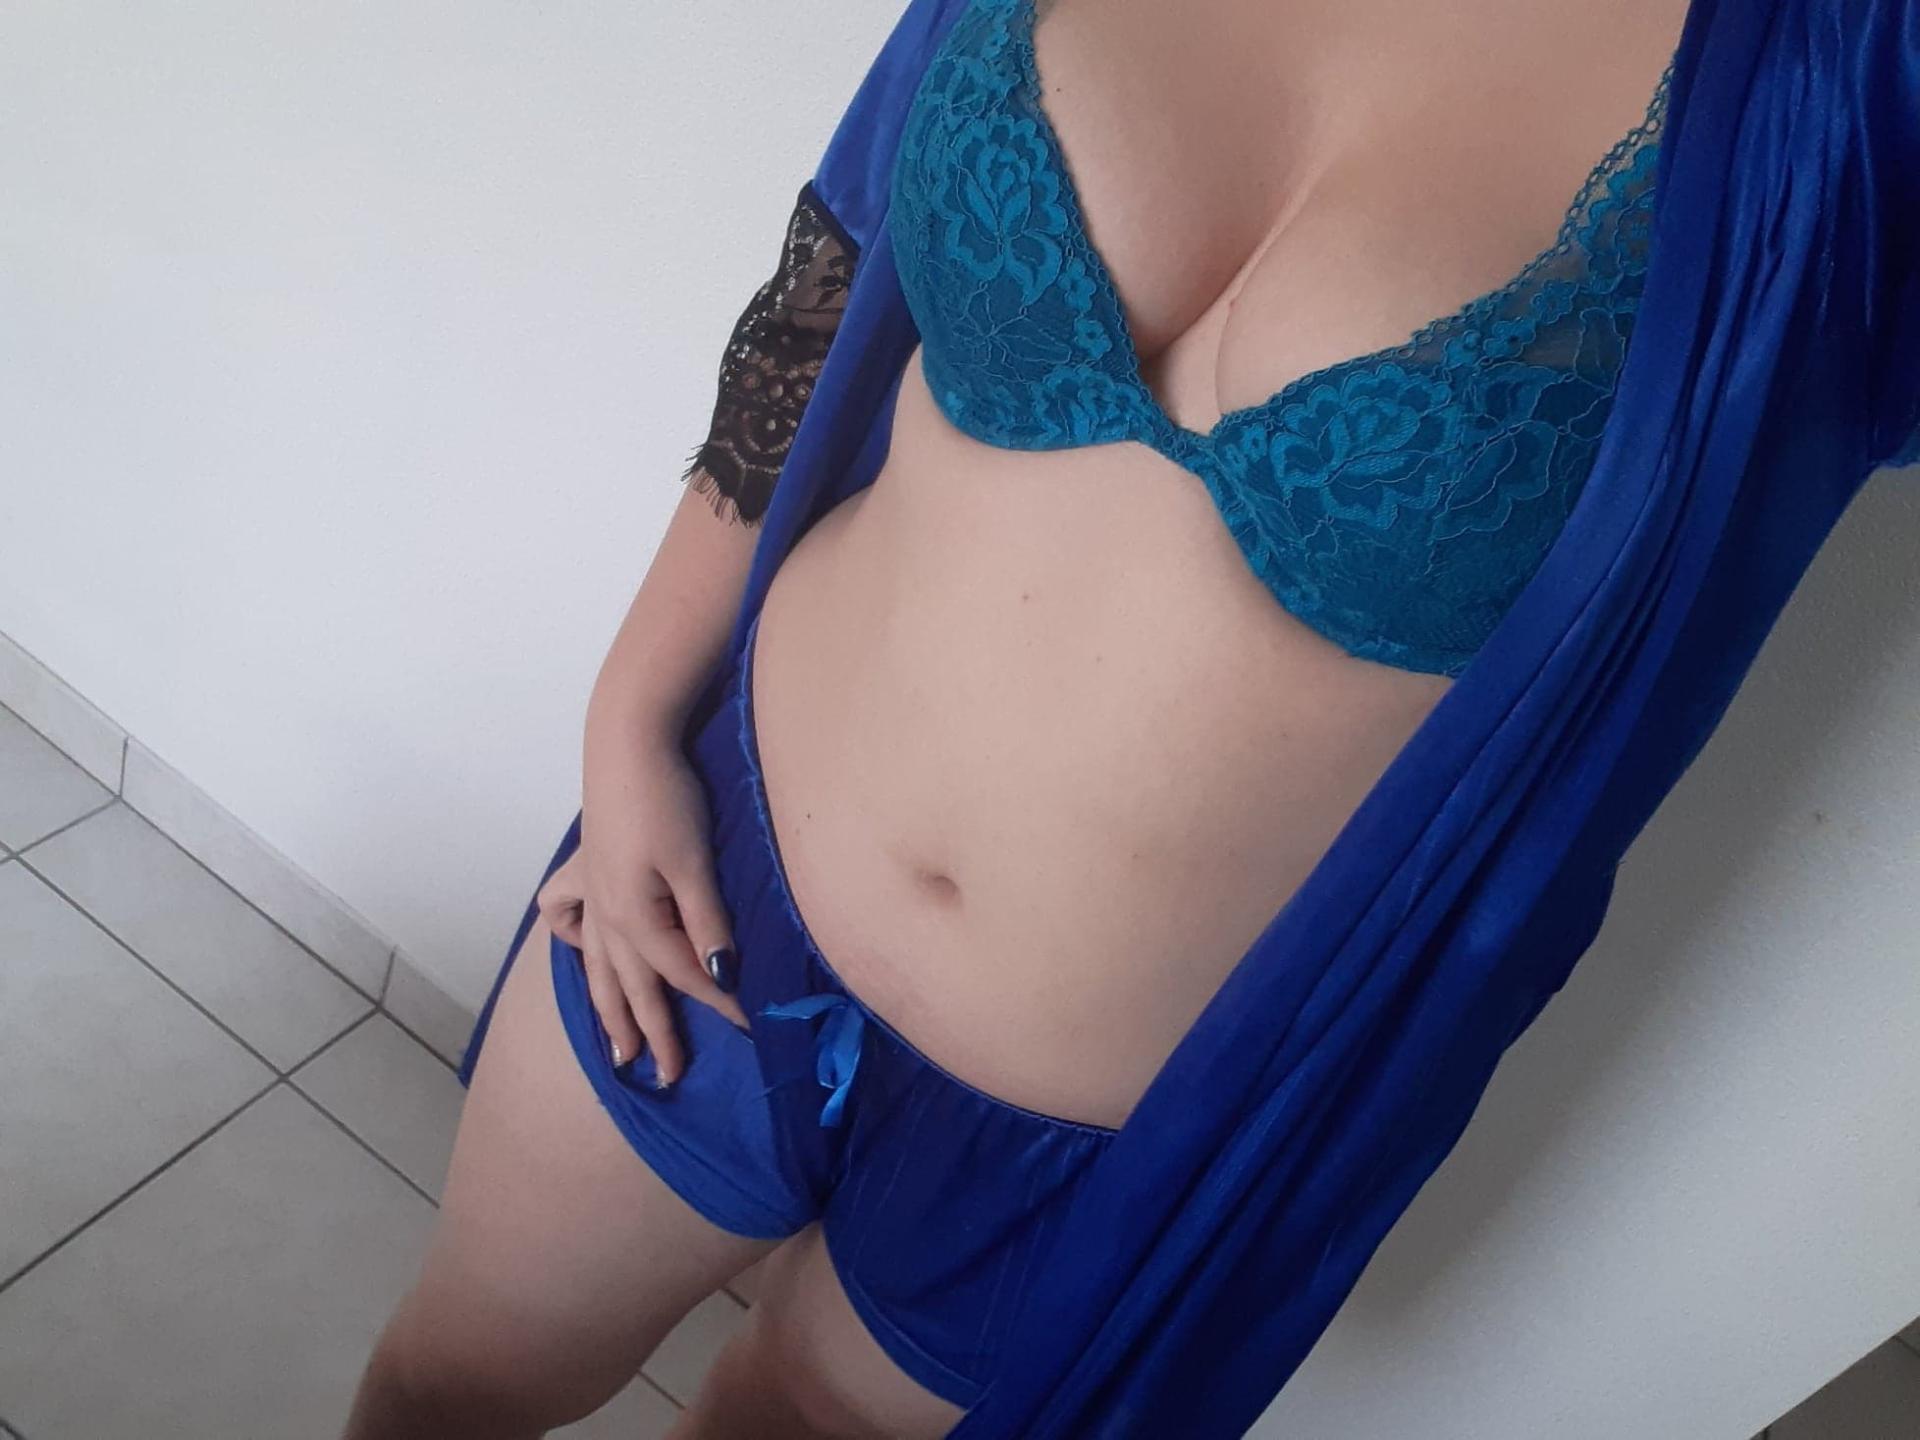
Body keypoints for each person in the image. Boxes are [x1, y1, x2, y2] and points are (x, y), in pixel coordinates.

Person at [344, 0, 1920, 1435]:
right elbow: (834, 263)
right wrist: (628, 723)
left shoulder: (1856, 89)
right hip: (708, 890)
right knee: (446, 1395)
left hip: (1096, 1156)